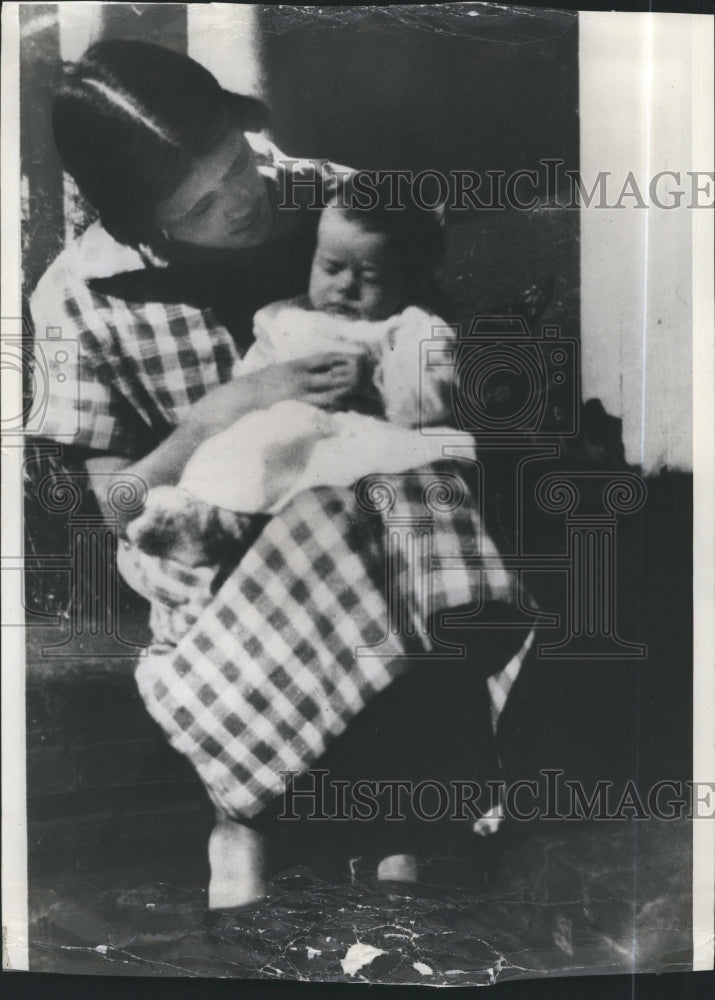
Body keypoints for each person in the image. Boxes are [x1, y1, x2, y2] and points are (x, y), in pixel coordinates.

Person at [30, 39, 529, 911]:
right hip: (210, 527)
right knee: (332, 529)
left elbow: (433, 376)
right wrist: (223, 410)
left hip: (366, 502)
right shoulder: (75, 298)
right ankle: (263, 814)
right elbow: (118, 504)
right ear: (141, 226)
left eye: (235, 163)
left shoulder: (335, 200)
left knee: (399, 508)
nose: (244, 203)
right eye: (201, 204)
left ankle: (377, 832)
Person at [127, 188, 476, 567]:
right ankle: (199, 522)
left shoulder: (409, 327)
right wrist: (265, 386)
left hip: (370, 441)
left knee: (421, 471)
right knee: (237, 452)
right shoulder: (284, 318)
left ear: (405, 281)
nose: (345, 285)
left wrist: (375, 381)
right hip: (286, 438)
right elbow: (247, 382)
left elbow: (435, 399)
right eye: (330, 267)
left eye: (370, 276)